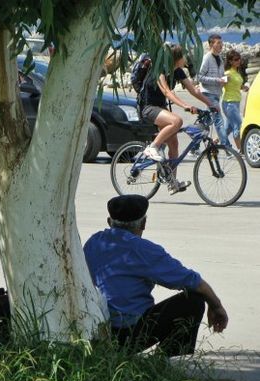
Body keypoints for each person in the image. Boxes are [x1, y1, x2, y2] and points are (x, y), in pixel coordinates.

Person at [83, 195, 229, 357]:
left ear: (109, 222)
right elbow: (194, 282)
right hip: (129, 333)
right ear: (144, 223)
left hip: (97, 329)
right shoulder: (143, 250)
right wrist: (216, 305)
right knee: (194, 301)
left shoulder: (94, 242)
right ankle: (162, 360)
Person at [140, 45, 214, 195]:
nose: (186, 59)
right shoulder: (158, 70)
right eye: (183, 56)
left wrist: (211, 104)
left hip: (161, 108)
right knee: (177, 121)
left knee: (174, 146)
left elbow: (193, 90)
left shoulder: (178, 71)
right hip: (148, 108)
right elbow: (167, 91)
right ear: (177, 58)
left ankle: (173, 183)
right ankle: (152, 147)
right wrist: (185, 105)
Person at [198, 34, 230, 147]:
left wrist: (225, 79)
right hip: (208, 93)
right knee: (218, 120)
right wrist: (217, 80)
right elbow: (200, 77)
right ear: (211, 44)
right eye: (218, 43)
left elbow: (220, 76)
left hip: (216, 93)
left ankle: (194, 144)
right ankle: (227, 148)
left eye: (221, 43)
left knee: (206, 121)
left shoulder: (220, 59)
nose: (221, 45)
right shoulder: (207, 58)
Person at [222, 49, 249, 152]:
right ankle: (241, 151)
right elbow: (220, 84)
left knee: (227, 128)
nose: (239, 61)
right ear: (230, 61)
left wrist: (244, 88)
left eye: (239, 59)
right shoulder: (228, 73)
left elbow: (237, 84)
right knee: (238, 125)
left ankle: (213, 144)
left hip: (235, 103)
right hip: (229, 104)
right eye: (236, 59)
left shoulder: (236, 72)